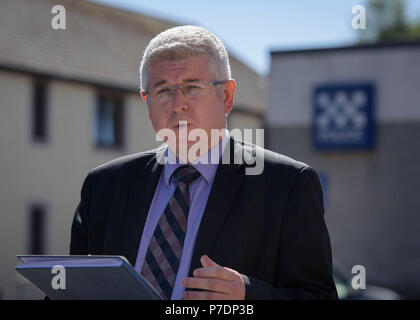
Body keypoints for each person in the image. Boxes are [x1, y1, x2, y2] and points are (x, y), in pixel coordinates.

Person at [70, 25, 338, 300]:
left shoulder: (287, 184)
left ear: (226, 96)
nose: (177, 104)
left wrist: (248, 296)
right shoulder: (104, 186)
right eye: (162, 90)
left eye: (192, 87)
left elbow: (319, 297)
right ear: (146, 101)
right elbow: (72, 290)